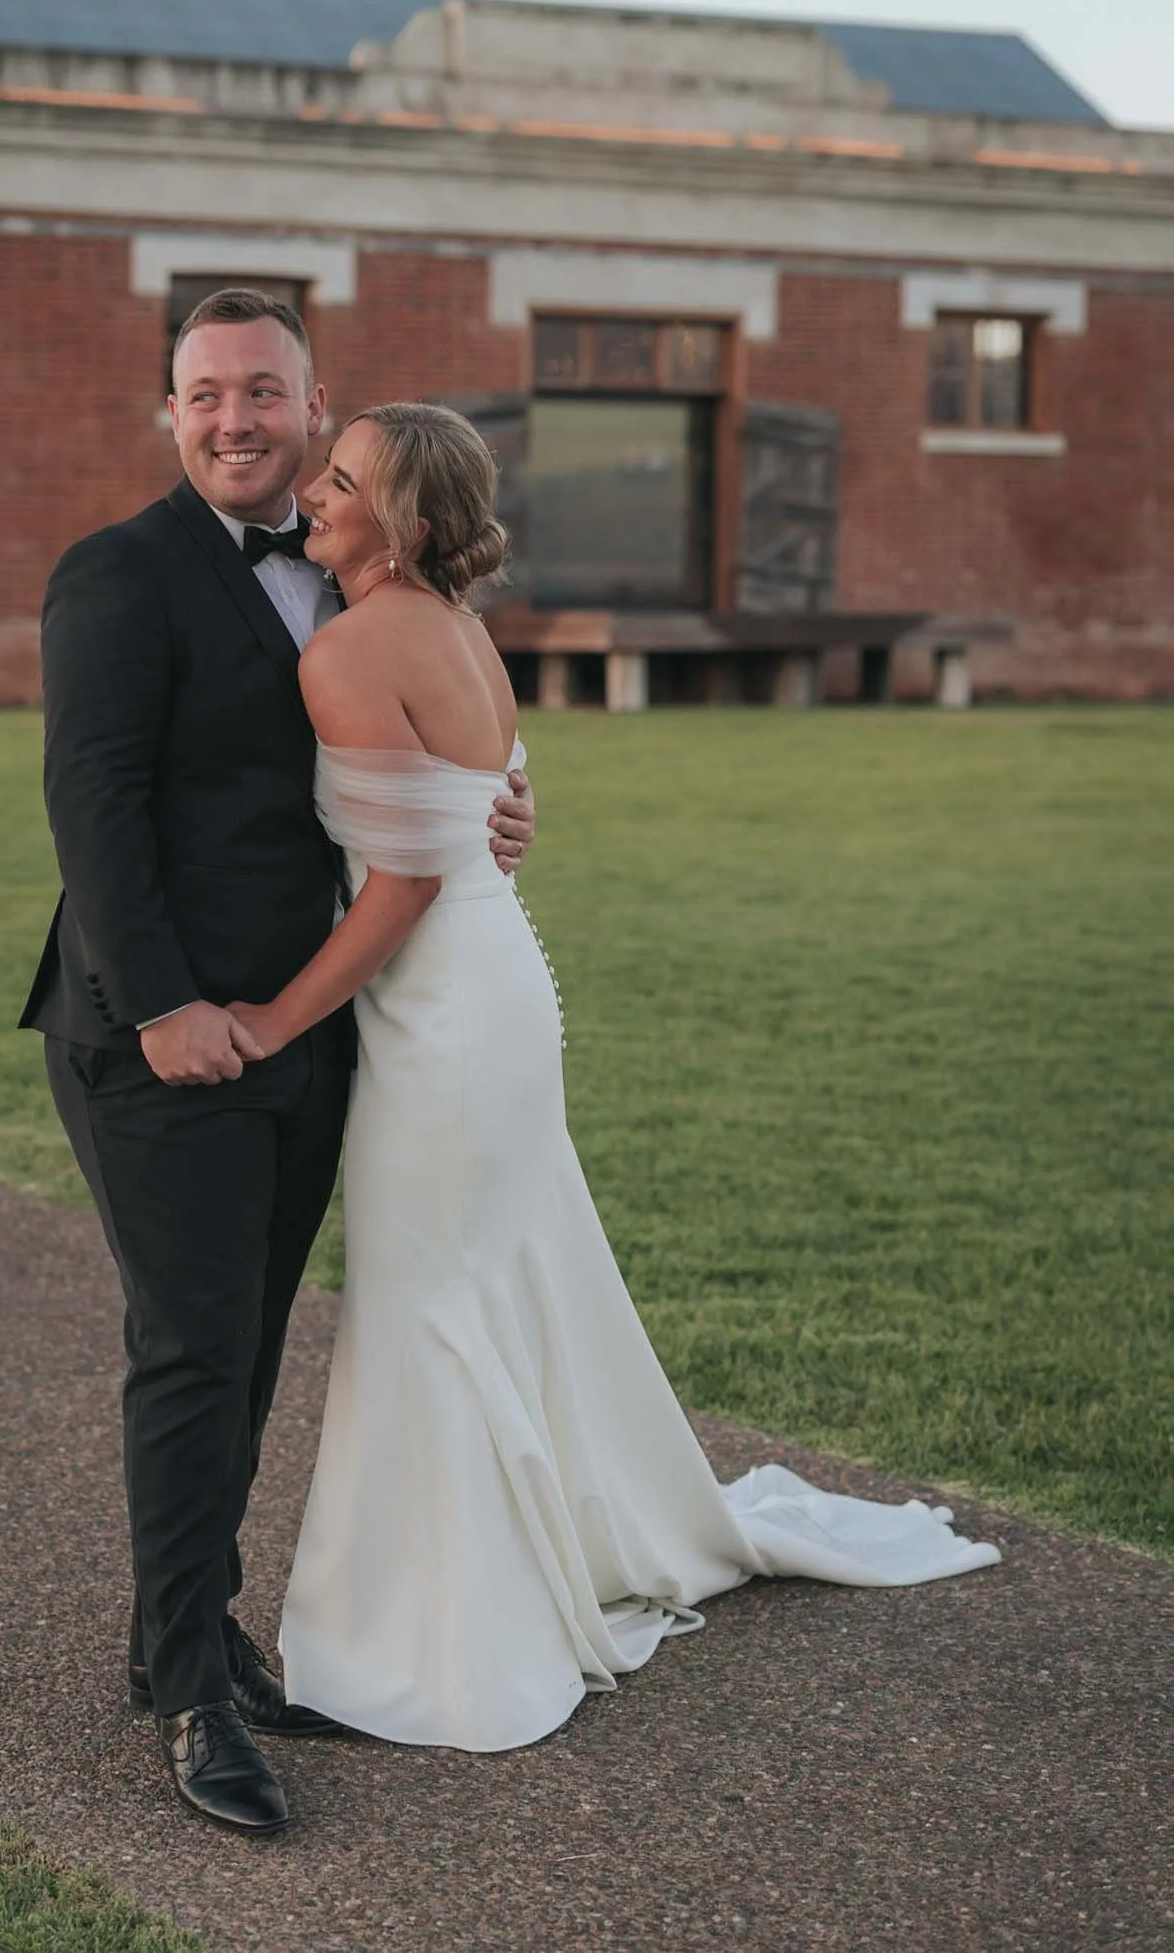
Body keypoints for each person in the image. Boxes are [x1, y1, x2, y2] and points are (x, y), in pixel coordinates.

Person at [226, 400, 1002, 1755]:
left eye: (343, 479)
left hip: (443, 1011)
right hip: (497, 985)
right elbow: (488, 808)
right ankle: (488, 1563)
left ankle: (422, 1634)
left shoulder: (352, 646)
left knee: (424, 1299)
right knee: (478, 1279)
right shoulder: (458, 628)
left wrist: (278, 1016)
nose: (317, 490)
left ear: (404, 523)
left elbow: (402, 878)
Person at [19, 294, 534, 1833]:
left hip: (310, 1030)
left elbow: (407, 762)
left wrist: (487, 813)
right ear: (169, 412)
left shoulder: (346, 572)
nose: (233, 418)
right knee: (189, 1350)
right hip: (157, 1036)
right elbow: (92, 803)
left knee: (242, 1348)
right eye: (203, 393)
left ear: (318, 409)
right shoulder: (117, 574)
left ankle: (179, 1634)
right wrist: (166, 1002)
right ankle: (190, 1695)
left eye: (263, 391)